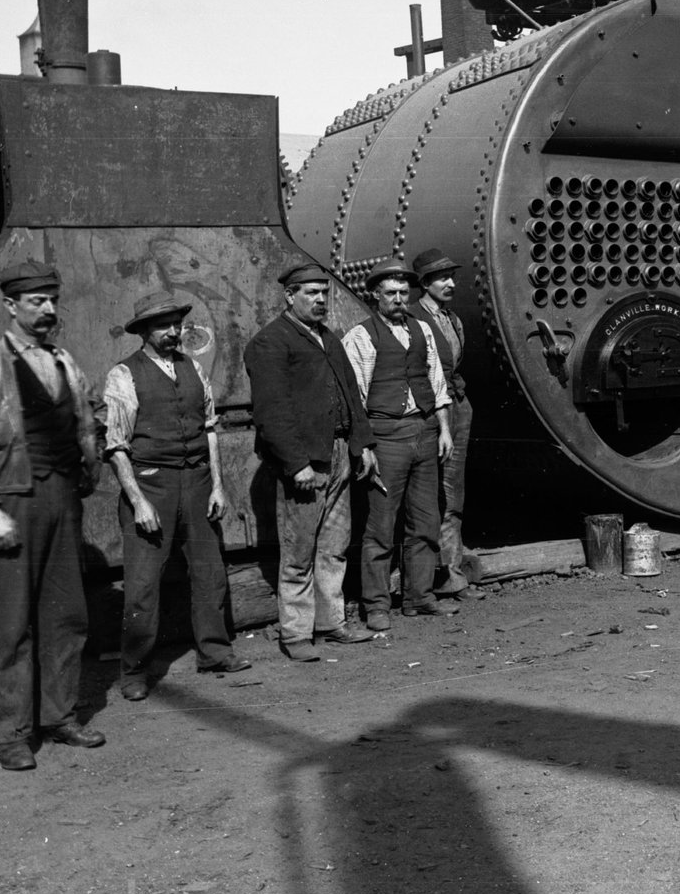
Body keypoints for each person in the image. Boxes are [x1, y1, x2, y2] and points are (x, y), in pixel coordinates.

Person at [0, 257, 104, 771]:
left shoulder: (65, 362)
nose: (48, 309)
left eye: (52, 300)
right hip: (11, 501)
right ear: (10, 306)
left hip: (62, 499)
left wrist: (91, 467)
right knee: (11, 623)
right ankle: (9, 733)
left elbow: (87, 422)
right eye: (37, 301)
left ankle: (59, 716)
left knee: (67, 614)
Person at [99, 293, 248, 702]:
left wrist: (217, 485)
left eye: (176, 324)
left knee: (210, 573)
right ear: (144, 331)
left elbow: (210, 429)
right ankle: (134, 670)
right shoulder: (123, 375)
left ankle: (215, 652)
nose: (172, 332)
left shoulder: (193, 368)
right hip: (151, 486)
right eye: (162, 325)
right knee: (143, 586)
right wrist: (138, 502)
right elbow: (116, 447)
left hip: (197, 483)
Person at [245, 256, 376, 661]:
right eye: (312, 293)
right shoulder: (271, 342)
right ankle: (297, 635)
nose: (321, 300)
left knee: (334, 546)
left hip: (339, 454)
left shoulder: (328, 338)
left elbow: (351, 395)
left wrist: (362, 445)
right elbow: (271, 412)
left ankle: (332, 623)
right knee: (298, 552)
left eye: (324, 293)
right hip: (306, 462)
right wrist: (295, 463)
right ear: (290, 296)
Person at [342, 259, 457, 624]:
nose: (398, 299)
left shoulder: (422, 330)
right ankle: (376, 605)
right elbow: (355, 399)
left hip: (424, 431)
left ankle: (419, 597)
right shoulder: (360, 336)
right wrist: (365, 447)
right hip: (386, 436)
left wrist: (444, 430)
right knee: (381, 526)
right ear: (375, 296)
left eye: (404, 293)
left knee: (425, 520)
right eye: (390, 293)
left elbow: (437, 384)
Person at [410, 247, 473, 599]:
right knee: (433, 494)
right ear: (424, 283)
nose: (451, 283)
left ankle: (452, 573)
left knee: (453, 492)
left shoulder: (452, 318)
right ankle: (430, 577)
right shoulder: (413, 318)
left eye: (452, 277)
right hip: (432, 412)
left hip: (456, 405)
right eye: (441, 278)